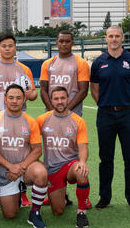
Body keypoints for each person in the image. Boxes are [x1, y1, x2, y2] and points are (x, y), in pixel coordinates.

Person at [90, 25, 130, 211]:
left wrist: (127, 104)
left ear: (122, 38)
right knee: (105, 158)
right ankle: (104, 197)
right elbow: (94, 89)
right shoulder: (98, 62)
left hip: (128, 114)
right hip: (105, 114)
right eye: (110, 36)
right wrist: (106, 104)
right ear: (106, 38)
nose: (114, 39)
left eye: (117, 36)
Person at [0, 33, 37, 208]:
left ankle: (22, 194)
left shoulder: (24, 70)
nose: (7, 49)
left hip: (20, 118)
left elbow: (33, 94)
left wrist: (29, 93)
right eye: (4, 46)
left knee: (22, 154)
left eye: (10, 46)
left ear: (15, 48)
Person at [0, 84, 48, 228]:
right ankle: (17, 192)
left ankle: (35, 212)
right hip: (5, 172)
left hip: (26, 168)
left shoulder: (30, 121)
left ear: (24, 99)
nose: (14, 101)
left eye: (18, 98)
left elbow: (37, 150)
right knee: (10, 214)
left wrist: (21, 167)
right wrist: (10, 166)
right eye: (11, 97)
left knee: (41, 172)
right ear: (5, 99)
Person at [39, 29, 91, 208]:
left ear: (73, 43)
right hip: (52, 114)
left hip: (73, 114)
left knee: (75, 153)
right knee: (52, 149)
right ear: (57, 42)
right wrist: (52, 109)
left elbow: (83, 90)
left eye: (68, 41)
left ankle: (84, 196)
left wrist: (65, 110)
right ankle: (56, 189)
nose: (64, 44)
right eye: (61, 41)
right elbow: (43, 89)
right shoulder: (48, 63)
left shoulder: (81, 63)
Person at [36, 86, 91, 228]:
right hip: (52, 169)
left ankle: (81, 213)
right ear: (51, 101)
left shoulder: (78, 121)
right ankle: (64, 196)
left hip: (70, 165)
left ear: (68, 99)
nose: (59, 101)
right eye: (56, 99)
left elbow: (83, 146)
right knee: (57, 211)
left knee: (81, 171)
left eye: (62, 98)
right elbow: (31, 142)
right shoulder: (42, 120)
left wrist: (82, 162)